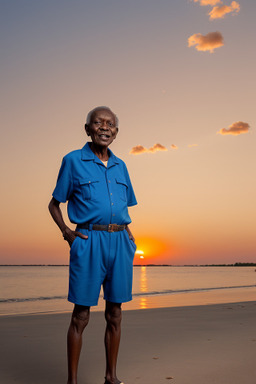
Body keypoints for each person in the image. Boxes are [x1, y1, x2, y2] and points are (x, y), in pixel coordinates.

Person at [48, 106, 137, 384]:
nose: (104, 127)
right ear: (88, 129)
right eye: (98, 122)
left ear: (116, 132)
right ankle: (72, 382)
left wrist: (130, 234)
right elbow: (54, 204)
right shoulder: (73, 161)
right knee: (81, 315)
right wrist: (66, 232)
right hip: (88, 242)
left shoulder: (122, 165)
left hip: (120, 242)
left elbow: (121, 207)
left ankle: (111, 377)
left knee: (115, 313)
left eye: (110, 124)